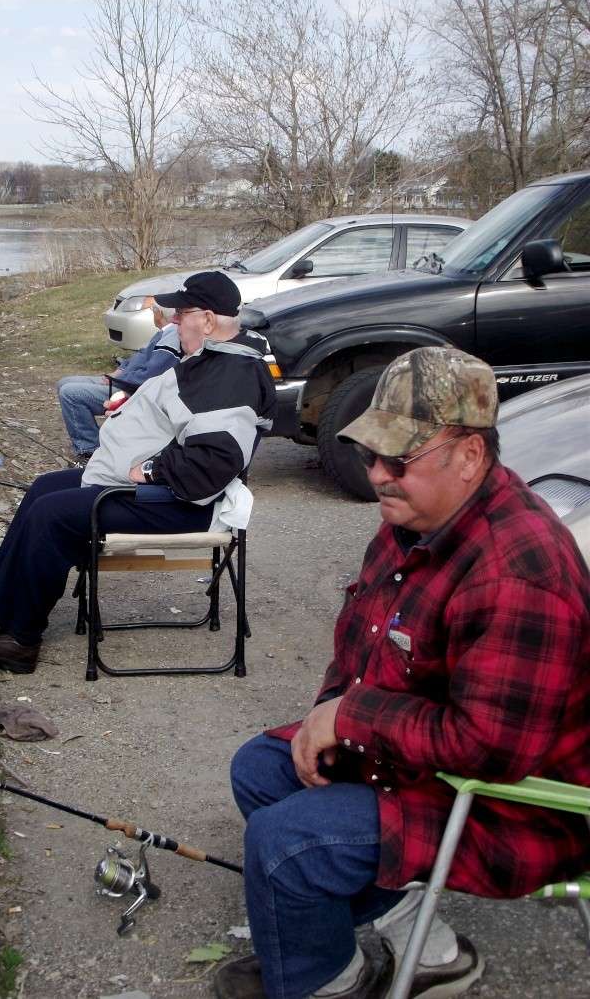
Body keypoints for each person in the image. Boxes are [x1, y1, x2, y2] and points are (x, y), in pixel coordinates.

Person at [215, 347, 590, 999]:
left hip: (517, 802)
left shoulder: (518, 574)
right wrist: (327, 712)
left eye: (399, 459)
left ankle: (321, 985)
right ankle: (385, 949)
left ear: (470, 455)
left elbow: (492, 749)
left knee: (286, 845)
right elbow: (360, 639)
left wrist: (350, 718)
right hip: (425, 763)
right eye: (370, 455)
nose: (379, 475)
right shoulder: (414, 519)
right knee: (261, 767)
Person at [0, 271, 277, 674]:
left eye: (181, 314)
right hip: (159, 488)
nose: (173, 322)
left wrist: (149, 468)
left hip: (181, 503)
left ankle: (19, 640)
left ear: (209, 320)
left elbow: (211, 465)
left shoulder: (232, 378)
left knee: (52, 515)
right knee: (43, 488)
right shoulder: (214, 358)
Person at [57, 301, 181, 461]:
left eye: (152, 311)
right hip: (122, 380)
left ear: (159, 314)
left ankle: (89, 450)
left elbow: (149, 376)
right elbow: (139, 357)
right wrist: (119, 370)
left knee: (70, 394)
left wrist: (117, 379)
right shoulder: (163, 332)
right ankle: (88, 443)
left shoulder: (171, 336)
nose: (152, 314)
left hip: (132, 391)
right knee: (64, 382)